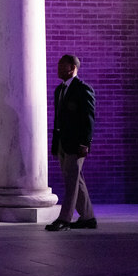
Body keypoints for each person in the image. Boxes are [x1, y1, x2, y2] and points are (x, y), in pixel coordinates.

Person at [45, 54, 97, 231]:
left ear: (73, 68)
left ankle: (64, 219)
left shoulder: (83, 89)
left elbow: (88, 119)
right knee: (76, 180)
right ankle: (88, 218)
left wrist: (85, 143)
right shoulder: (59, 90)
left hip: (76, 144)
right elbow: (58, 119)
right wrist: (55, 144)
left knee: (71, 182)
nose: (58, 68)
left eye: (62, 65)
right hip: (62, 144)